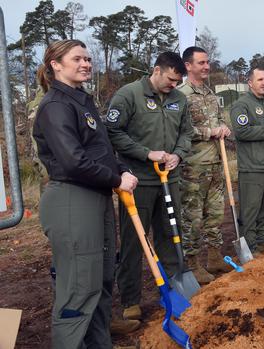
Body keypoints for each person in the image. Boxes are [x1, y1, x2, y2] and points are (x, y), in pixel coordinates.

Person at [33, 39, 138, 349]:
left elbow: (101, 149)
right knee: (80, 287)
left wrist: (121, 169)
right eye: (77, 58)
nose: (86, 64)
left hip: (97, 197)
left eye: (88, 59)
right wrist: (117, 181)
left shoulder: (82, 101)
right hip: (72, 199)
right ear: (56, 64)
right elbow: (73, 160)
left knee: (102, 279)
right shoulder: (56, 106)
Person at [105, 52, 193, 321]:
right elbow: (113, 133)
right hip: (137, 181)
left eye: (178, 81)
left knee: (170, 234)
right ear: (156, 70)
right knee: (135, 241)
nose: (173, 85)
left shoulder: (179, 99)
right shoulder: (128, 95)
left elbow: (186, 133)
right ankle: (131, 300)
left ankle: (174, 289)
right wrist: (146, 153)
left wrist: (178, 153)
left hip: (169, 179)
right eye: (170, 79)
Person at [178, 46, 230, 284]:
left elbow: (219, 120)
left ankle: (214, 256)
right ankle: (192, 264)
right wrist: (210, 131)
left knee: (216, 214)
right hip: (193, 167)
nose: (207, 66)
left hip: (216, 164)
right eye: (201, 63)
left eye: (207, 62)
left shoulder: (210, 93)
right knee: (193, 218)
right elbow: (182, 130)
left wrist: (224, 128)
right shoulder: (181, 95)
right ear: (188, 66)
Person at [230, 67, 264, 254]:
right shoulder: (242, 105)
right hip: (252, 166)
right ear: (250, 83)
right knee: (251, 208)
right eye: (260, 79)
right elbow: (241, 132)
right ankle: (250, 245)